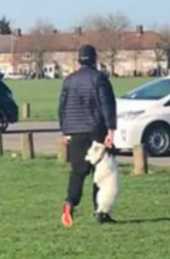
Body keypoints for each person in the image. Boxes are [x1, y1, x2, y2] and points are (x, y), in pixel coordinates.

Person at [58, 44, 117, 227]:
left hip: (75, 130)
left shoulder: (68, 81)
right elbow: (107, 105)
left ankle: (70, 202)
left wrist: (65, 130)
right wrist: (110, 130)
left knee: (77, 172)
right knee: (100, 174)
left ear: (78, 60)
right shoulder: (99, 79)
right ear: (95, 59)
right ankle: (100, 211)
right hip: (95, 130)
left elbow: (62, 107)